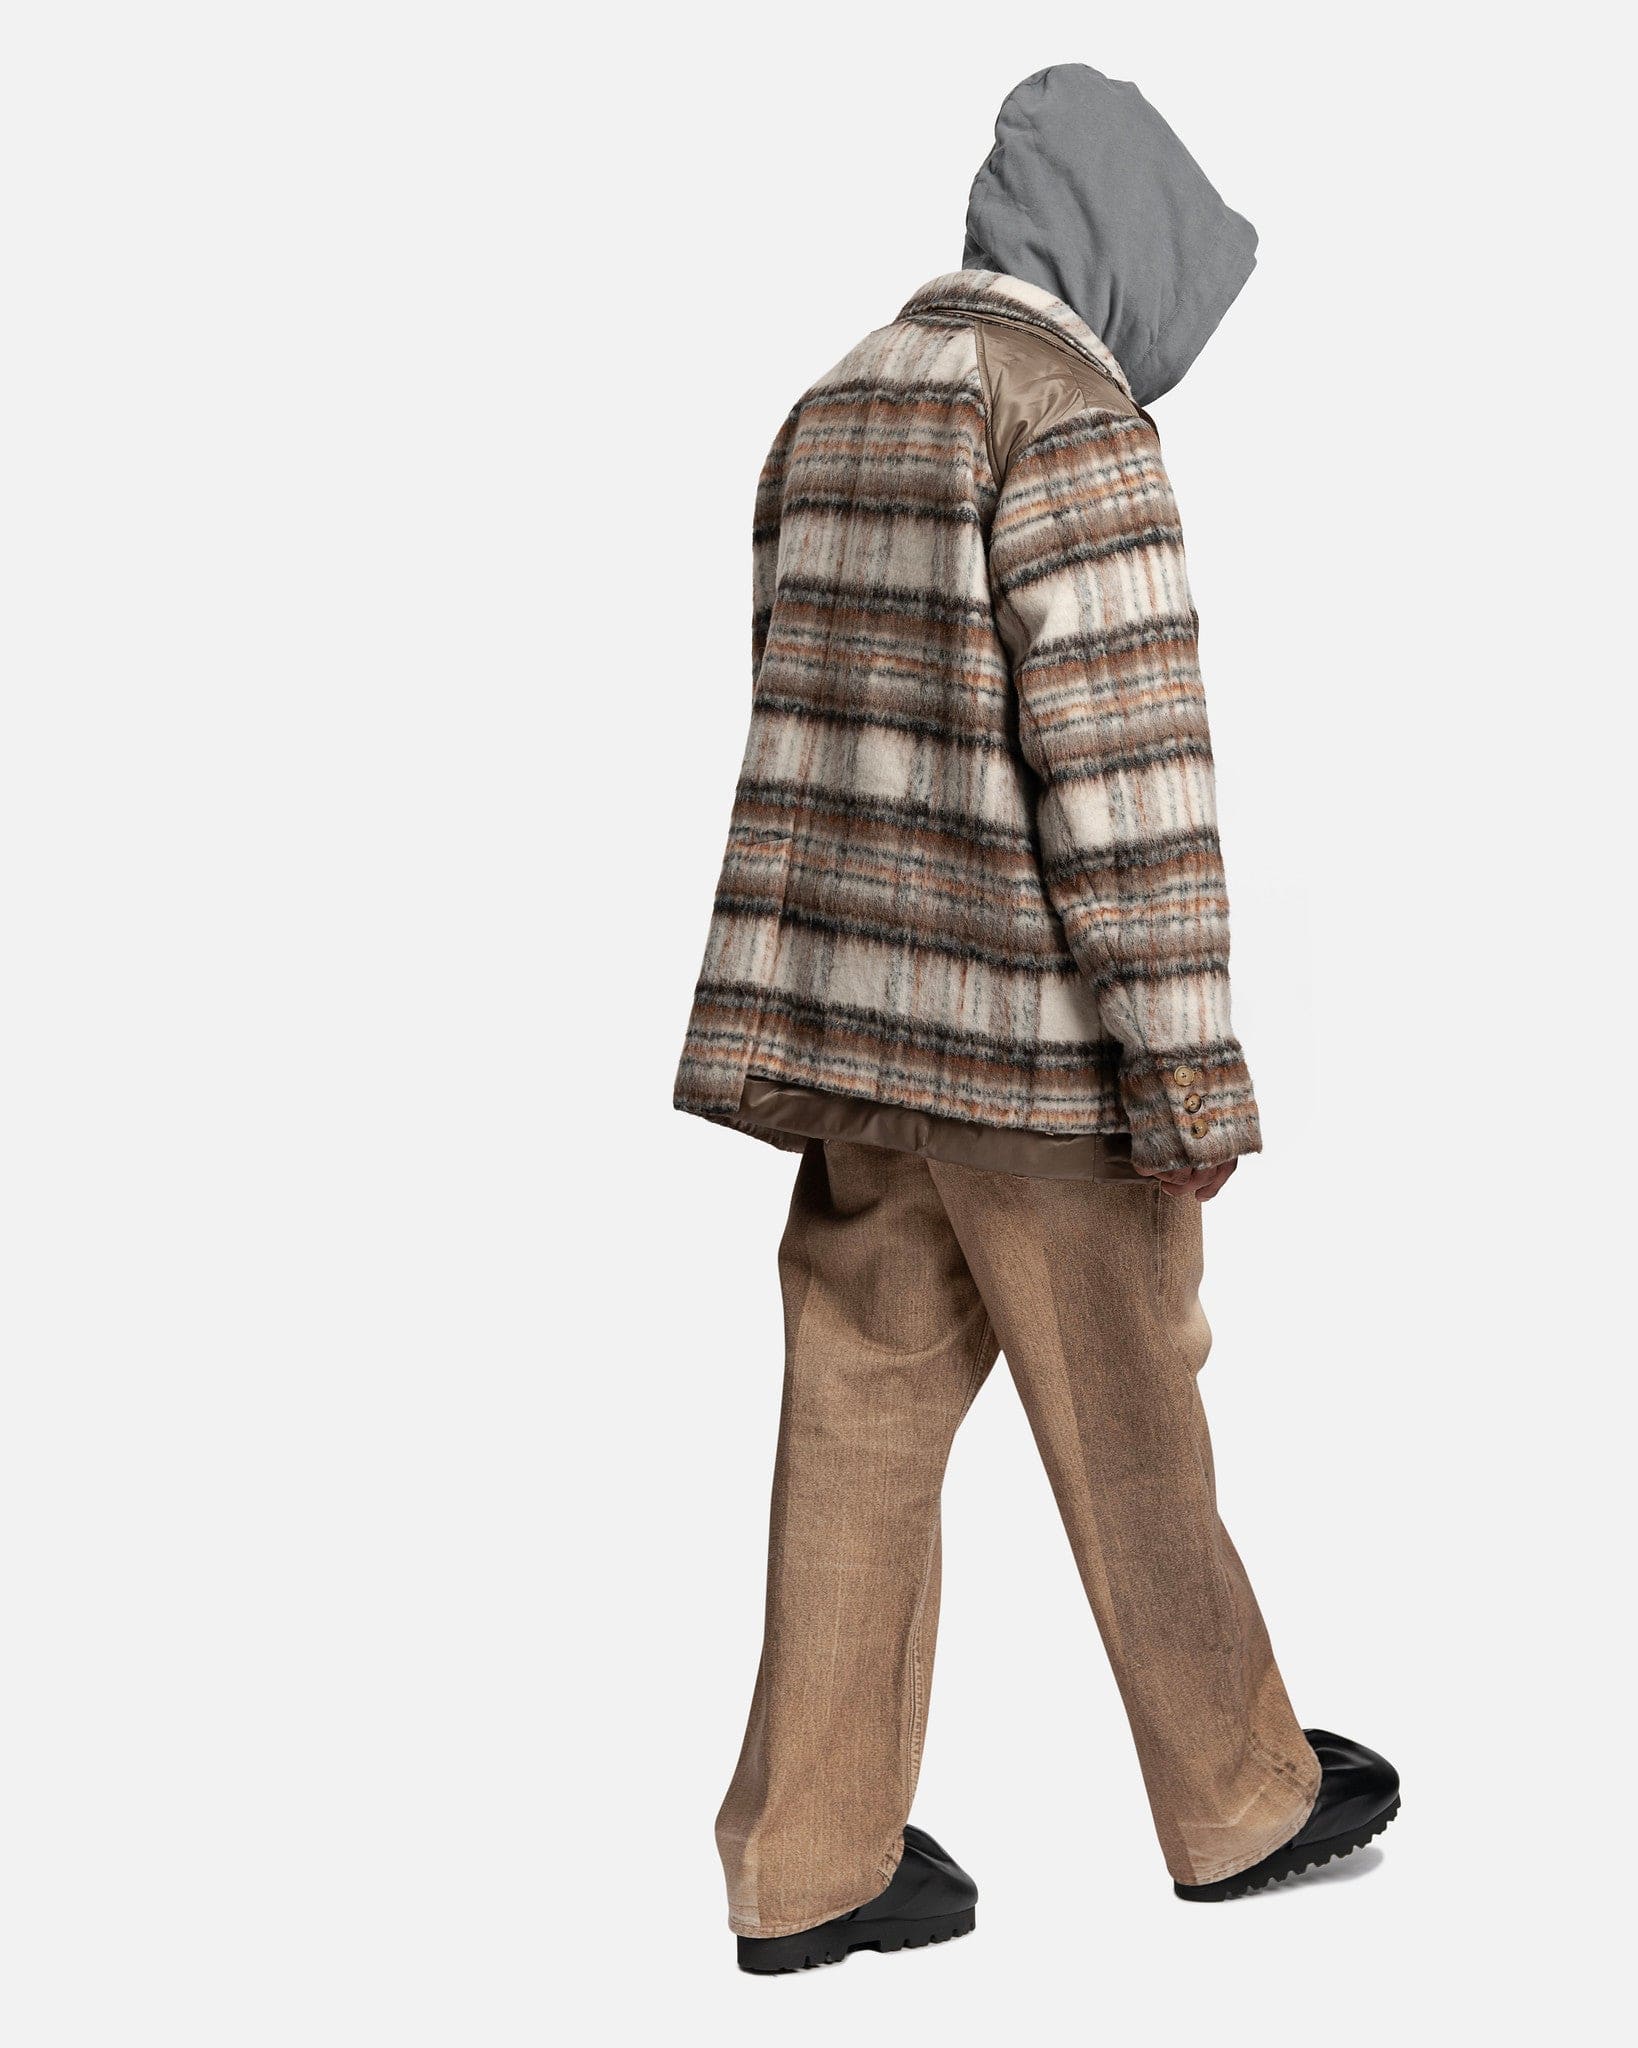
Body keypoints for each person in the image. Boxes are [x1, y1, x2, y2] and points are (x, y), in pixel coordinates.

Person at [674, 62, 1398, 1975]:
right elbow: (1130, 787)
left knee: (852, 1407)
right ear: (1122, 253)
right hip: (1034, 1049)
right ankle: (1238, 1800)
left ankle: (806, 1861)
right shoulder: (1069, 424)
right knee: (1131, 1401)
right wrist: (1187, 1080)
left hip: (855, 1033)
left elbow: (792, 707)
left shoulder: (835, 396)